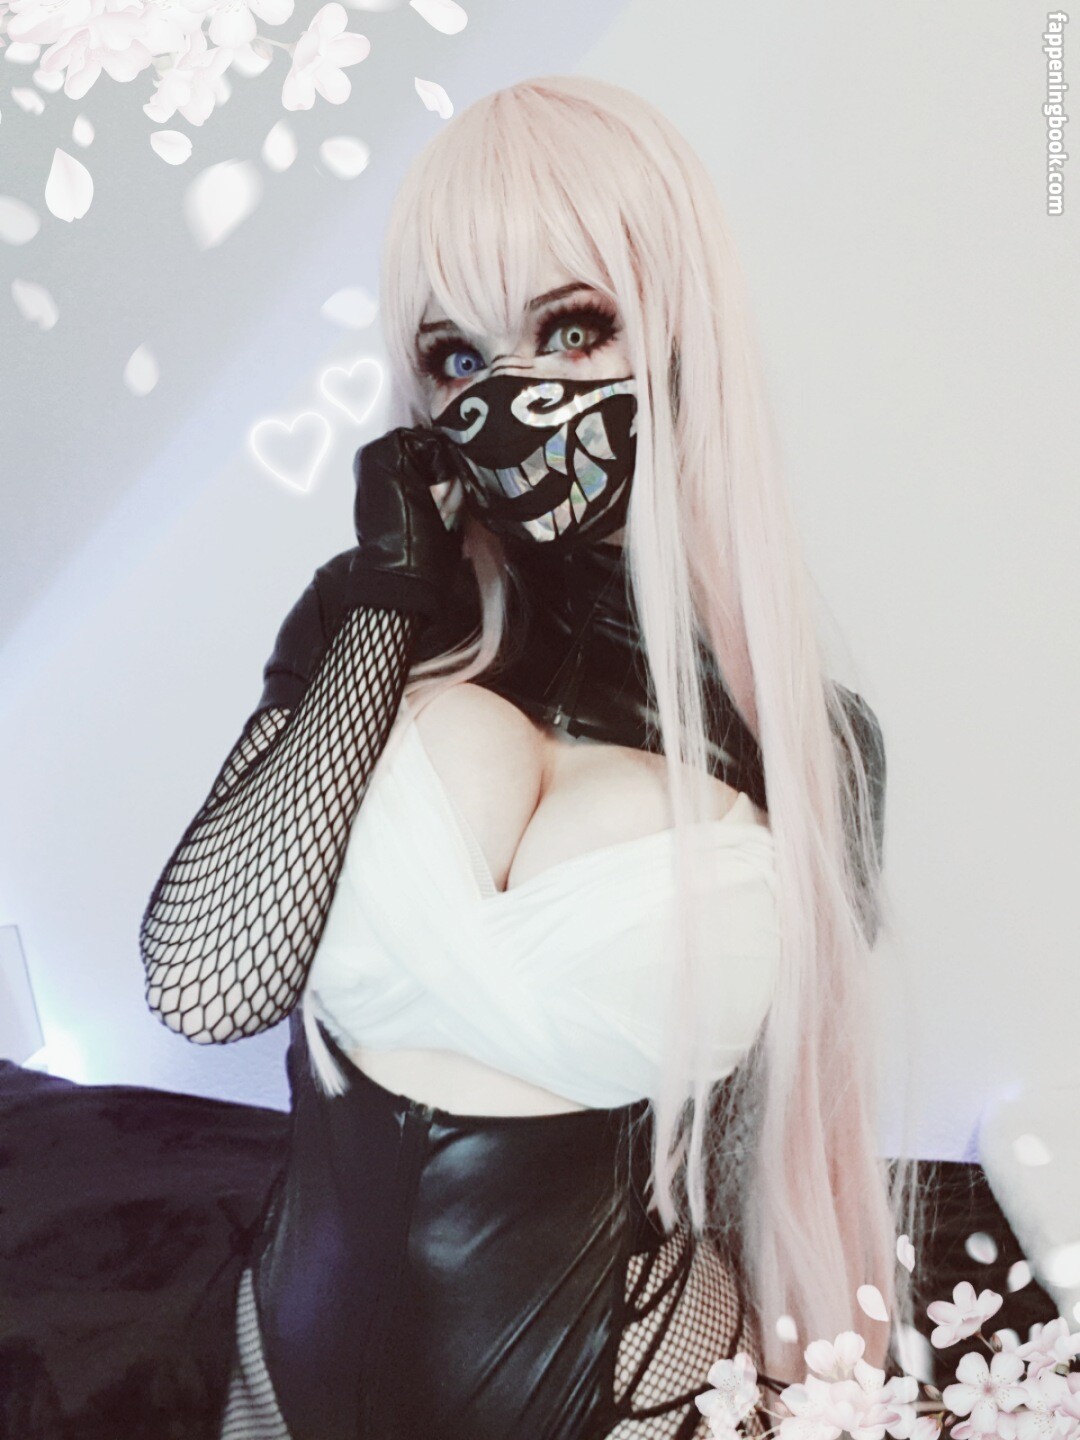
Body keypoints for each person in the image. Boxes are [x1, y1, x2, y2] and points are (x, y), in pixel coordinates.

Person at [137, 75, 921, 1440]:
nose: (510, 396)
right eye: (457, 357)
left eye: (573, 326)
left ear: (678, 332)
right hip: (287, 1373)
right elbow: (206, 985)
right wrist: (389, 592)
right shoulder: (370, 631)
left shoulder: (805, 739)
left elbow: (770, 1149)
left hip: (632, 1389)